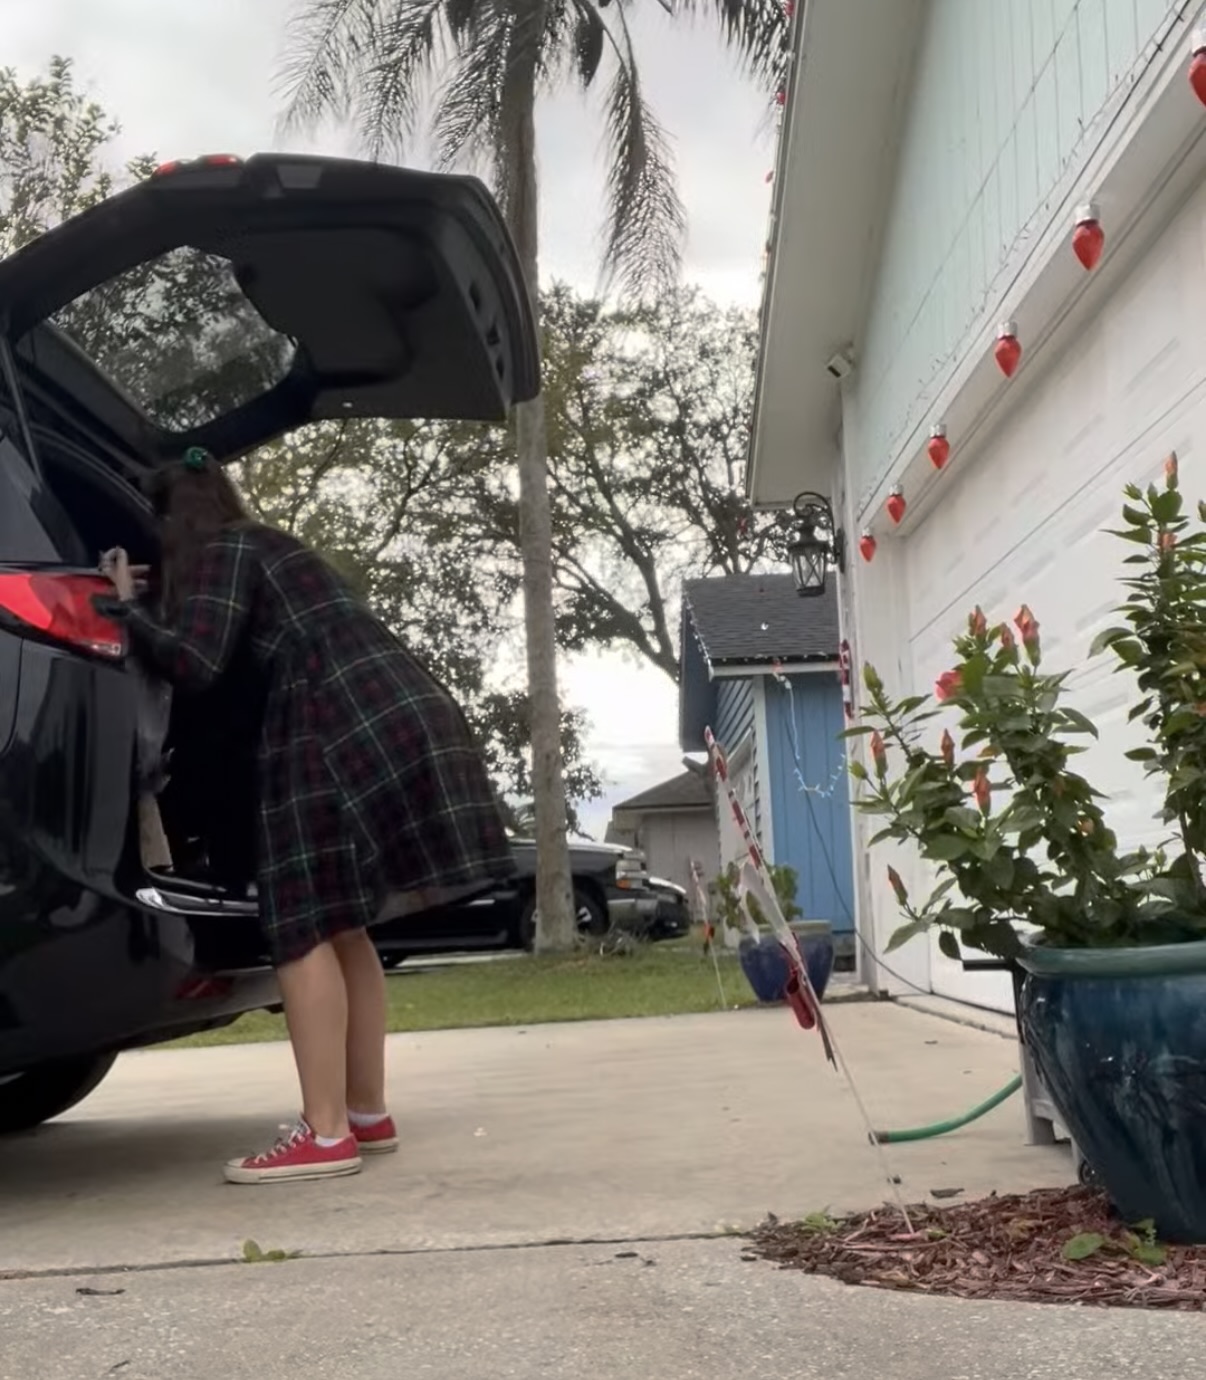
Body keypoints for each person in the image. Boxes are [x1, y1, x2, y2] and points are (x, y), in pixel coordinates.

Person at [100, 446, 515, 1185]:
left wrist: (128, 606)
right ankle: (365, 1114)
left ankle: (325, 1135)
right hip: (396, 704)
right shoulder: (272, 545)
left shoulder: (225, 551)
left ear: (173, 522)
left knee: (297, 922)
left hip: (330, 721)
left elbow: (195, 661)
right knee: (342, 922)